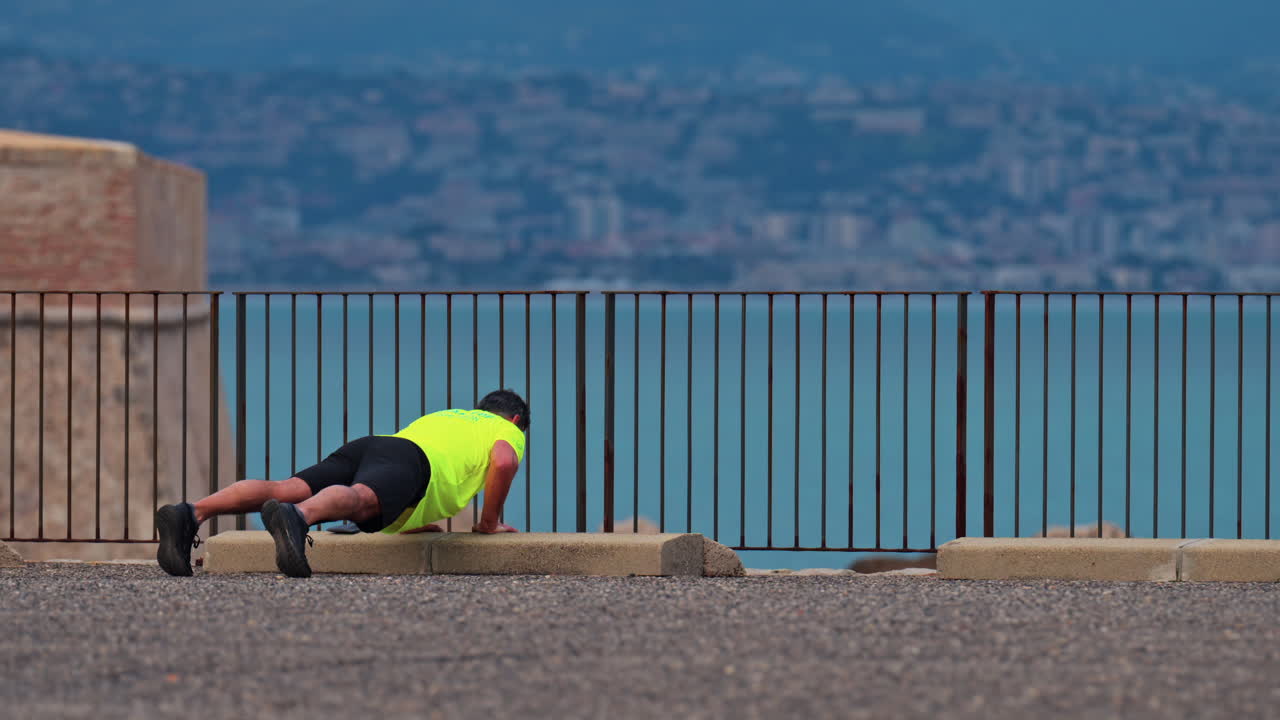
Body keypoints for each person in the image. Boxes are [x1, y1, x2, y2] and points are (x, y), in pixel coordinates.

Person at [154, 389, 529, 578]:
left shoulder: (451, 415)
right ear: (514, 419)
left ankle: (192, 512)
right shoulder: (506, 431)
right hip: (413, 463)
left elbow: (419, 476)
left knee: (286, 487)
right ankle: (299, 518)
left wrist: (410, 521)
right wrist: (489, 523)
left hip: (378, 446)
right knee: (360, 498)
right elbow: (503, 460)